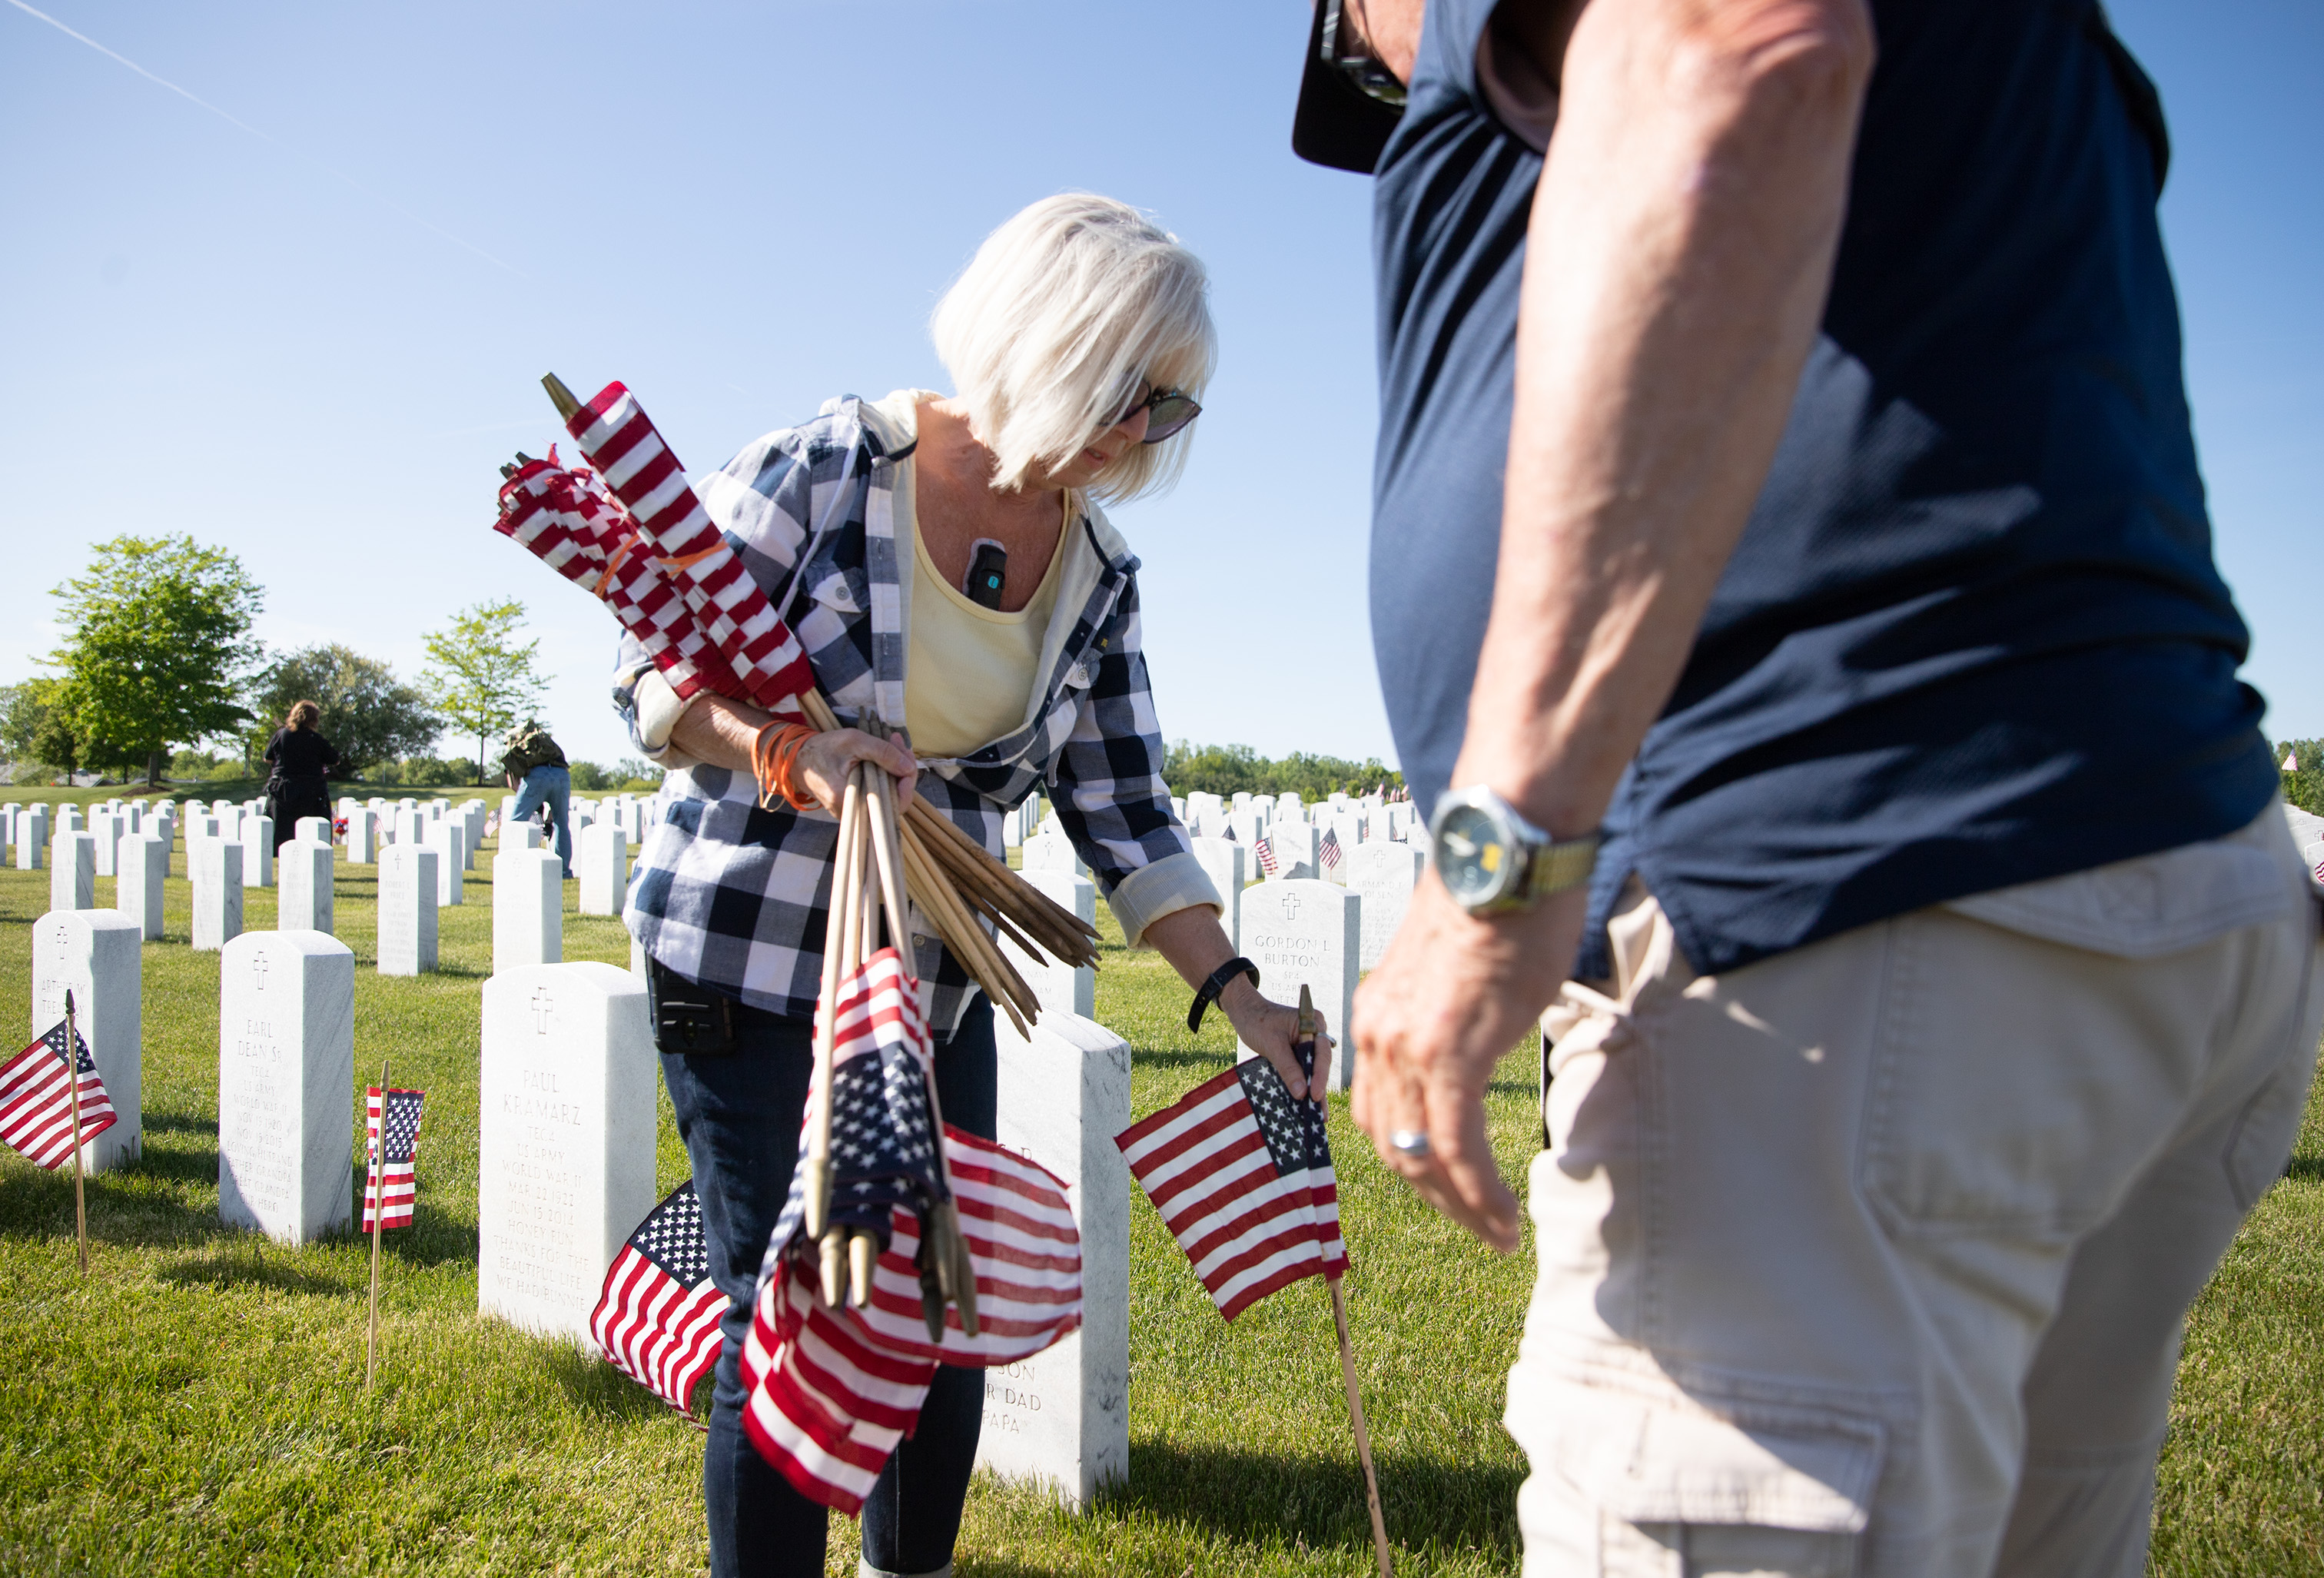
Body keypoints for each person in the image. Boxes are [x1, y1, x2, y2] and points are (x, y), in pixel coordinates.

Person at [1301, 1, 2324, 1573]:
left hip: (1850, 909)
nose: (1396, 65)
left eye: (1365, 51)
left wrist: (1500, 833)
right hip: (2079, 872)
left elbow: (1727, 38)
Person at [612, 192, 1330, 1578]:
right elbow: (657, 674)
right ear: (1045, 337)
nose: (1138, 438)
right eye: (1131, 394)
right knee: (791, 1298)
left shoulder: (1100, 576)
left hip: (933, 980)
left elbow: (1126, 812)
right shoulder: (828, 465)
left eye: (1170, 415)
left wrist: (1240, 998)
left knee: (941, 1292)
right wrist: (784, 745)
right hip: (745, 955)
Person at [261, 700, 339, 855]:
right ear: (313, 719)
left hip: (283, 791)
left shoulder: (281, 735)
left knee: (282, 831)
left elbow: (268, 758)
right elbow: (335, 759)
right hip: (310, 791)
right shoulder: (315, 739)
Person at [500, 719, 572, 875]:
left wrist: (532, 803)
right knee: (562, 824)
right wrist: (549, 819)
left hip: (537, 776)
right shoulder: (547, 744)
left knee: (516, 823)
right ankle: (564, 871)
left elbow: (513, 784)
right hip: (561, 774)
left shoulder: (515, 748)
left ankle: (509, 865)